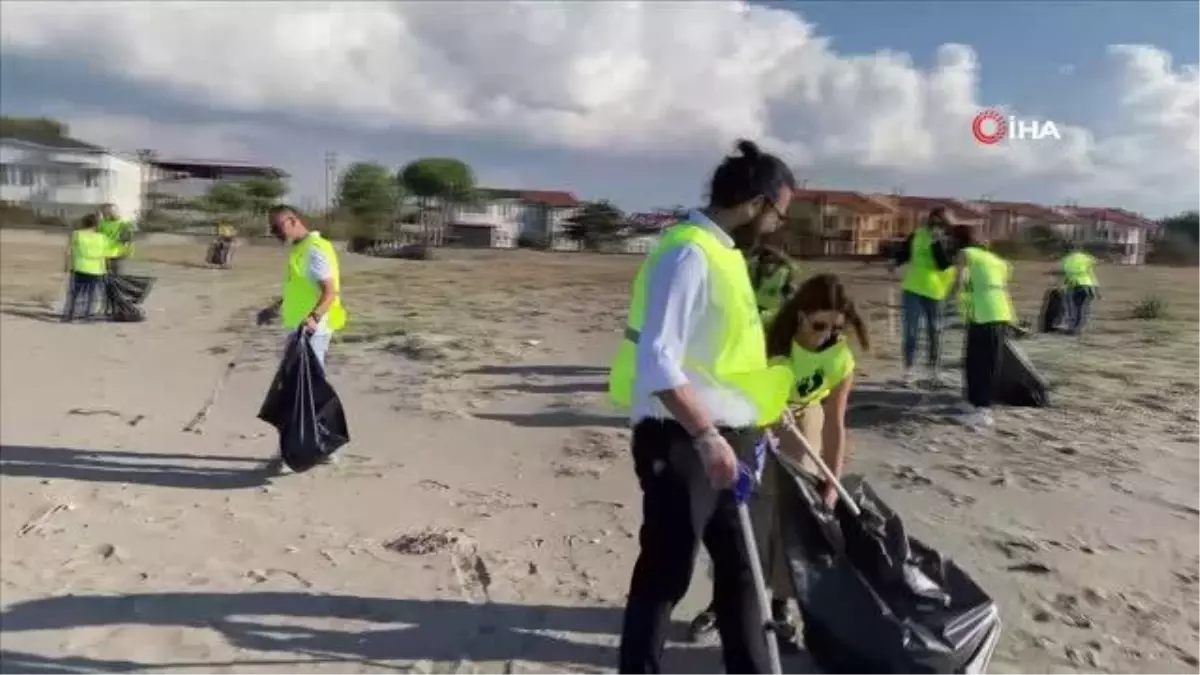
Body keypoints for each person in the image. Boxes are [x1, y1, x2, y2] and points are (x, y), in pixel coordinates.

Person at [608, 139, 798, 675]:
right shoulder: (687, 252)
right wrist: (707, 436)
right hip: (682, 437)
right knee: (666, 572)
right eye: (778, 214)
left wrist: (756, 409)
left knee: (743, 572)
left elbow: (721, 356)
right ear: (756, 203)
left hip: (728, 437)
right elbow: (659, 361)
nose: (777, 227)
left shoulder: (727, 256)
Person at [688, 273, 870, 652]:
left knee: (792, 518)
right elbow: (728, 381)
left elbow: (836, 424)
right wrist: (762, 413)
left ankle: (780, 606)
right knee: (742, 516)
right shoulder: (769, 334)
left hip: (803, 424)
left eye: (836, 328)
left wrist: (831, 483)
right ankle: (725, 602)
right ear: (801, 316)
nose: (826, 335)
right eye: (819, 325)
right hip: (752, 422)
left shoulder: (840, 358)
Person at [256, 205, 347, 469]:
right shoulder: (299, 249)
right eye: (271, 229)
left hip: (311, 332)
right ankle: (325, 445)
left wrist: (313, 319)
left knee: (300, 389)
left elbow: (329, 292)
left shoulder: (314, 250)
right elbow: (301, 287)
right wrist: (276, 307)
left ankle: (292, 451)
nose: (275, 233)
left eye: (277, 227)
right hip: (299, 328)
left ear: (293, 221)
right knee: (309, 388)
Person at [947, 225, 1015, 429]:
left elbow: (960, 281)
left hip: (986, 313)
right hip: (995, 311)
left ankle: (983, 410)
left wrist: (948, 300)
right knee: (976, 359)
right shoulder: (996, 260)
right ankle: (972, 401)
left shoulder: (966, 254)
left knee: (982, 363)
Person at [890, 207, 956, 386]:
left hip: (936, 291)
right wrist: (895, 262)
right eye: (933, 220)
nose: (935, 224)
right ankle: (909, 370)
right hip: (913, 288)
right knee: (910, 331)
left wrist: (936, 242)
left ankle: (933, 371)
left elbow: (943, 264)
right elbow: (905, 252)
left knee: (934, 331)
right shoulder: (917, 234)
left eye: (940, 222)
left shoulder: (948, 240)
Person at [62, 214, 110, 323]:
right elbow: (104, 255)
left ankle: (69, 315)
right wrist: (105, 269)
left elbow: (68, 252)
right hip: (96, 269)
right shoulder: (102, 237)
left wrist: (66, 265)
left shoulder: (77, 234)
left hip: (80, 267)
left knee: (74, 294)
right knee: (91, 295)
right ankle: (87, 316)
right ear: (96, 225)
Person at [747, 239, 800, 327]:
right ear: (760, 263)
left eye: (771, 262)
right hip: (755, 308)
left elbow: (789, 292)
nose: (768, 266)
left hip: (772, 311)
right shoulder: (753, 271)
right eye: (765, 262)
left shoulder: (783, 273)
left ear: (777, 263)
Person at [1061, 243, 1098, 335]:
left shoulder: (1066, 260)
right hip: (1086, 284)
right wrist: (1096, 289)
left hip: (1073, 285)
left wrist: (1064, 284)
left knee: (1072, 307)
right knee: (1084, 308)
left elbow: (1066, 274)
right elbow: (1091, 271)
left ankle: (1072, 326)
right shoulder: (1086, 258)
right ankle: (1079, 328)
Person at [98, 204, 134, 275]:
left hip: (113, 252)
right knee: (111, 273)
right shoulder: (102, 223)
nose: (105, 214)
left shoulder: (122, 223)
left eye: (106, 213)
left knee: (112, 272)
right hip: (110, 252)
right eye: (104, 213)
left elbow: (128, 239)